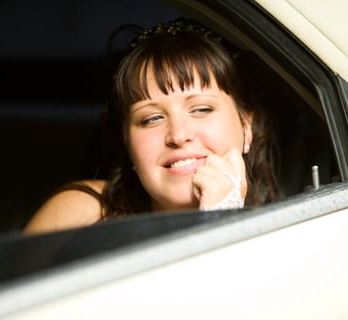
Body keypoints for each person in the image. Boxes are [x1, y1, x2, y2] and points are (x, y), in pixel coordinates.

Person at [23, 18, 281, 235]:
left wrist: (223, 219)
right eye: (151, 119)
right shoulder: (84, 214)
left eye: (201, 109)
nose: (179, 135)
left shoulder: (288, 232)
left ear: (246, 127)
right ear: (126, 141)